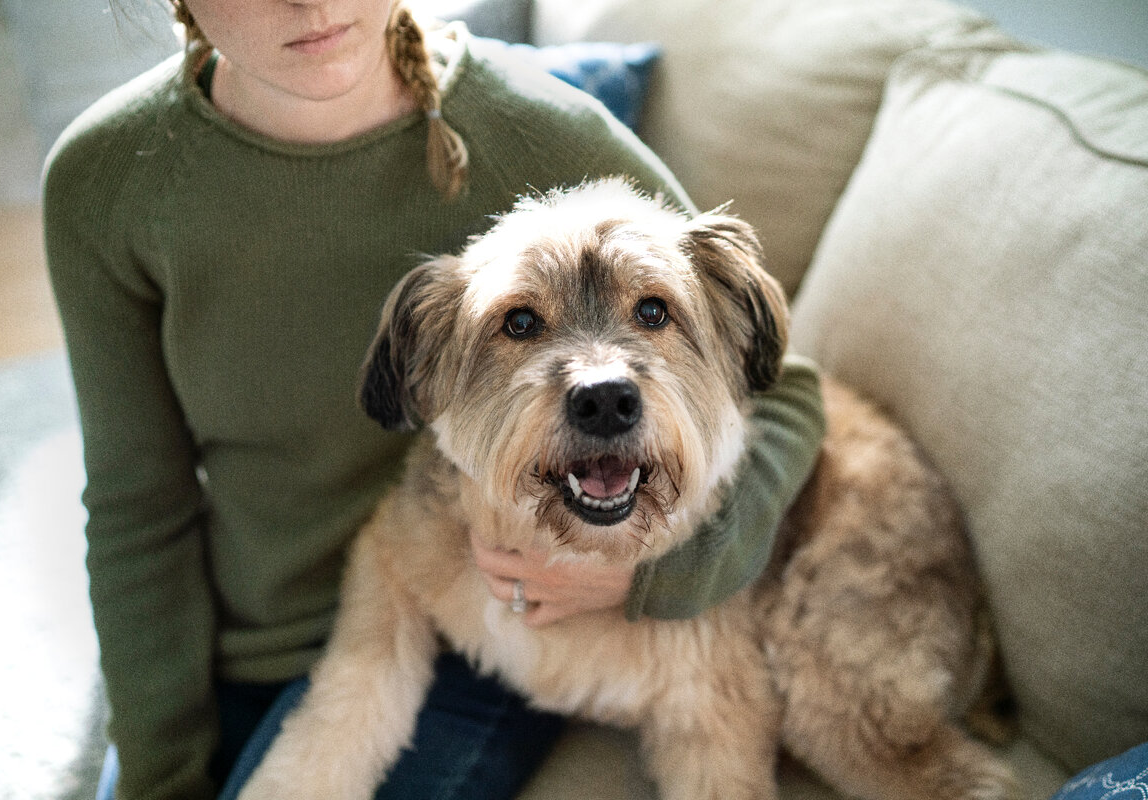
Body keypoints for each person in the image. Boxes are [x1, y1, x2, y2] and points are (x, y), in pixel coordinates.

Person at [42, 1, 826, 798]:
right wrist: (160, 769)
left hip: (474, 635)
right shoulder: (110, 180)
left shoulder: (538, 127)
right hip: (243, 634)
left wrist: (662, 574)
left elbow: (779, 382)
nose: (310, 2)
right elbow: (136, 504)